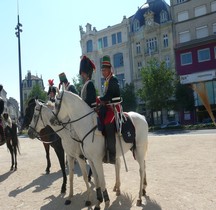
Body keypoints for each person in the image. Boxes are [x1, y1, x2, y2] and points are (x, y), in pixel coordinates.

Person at [97, 55, 121, 164]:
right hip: (108, 106)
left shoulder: (113, 79)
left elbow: (110, 95)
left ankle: (112, 155)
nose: (103, 72)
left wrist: (100, 99)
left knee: (107, 122)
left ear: (109, 70)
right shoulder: (107, 80)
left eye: (104, 70)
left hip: (114, 107)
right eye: (102, 70)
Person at [79, 55, 97, 181]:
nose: (81, 75)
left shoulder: (90, 85)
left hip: (90, 114)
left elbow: (89, 102)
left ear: (87, 74)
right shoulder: (84, 85)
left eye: (82, 73)